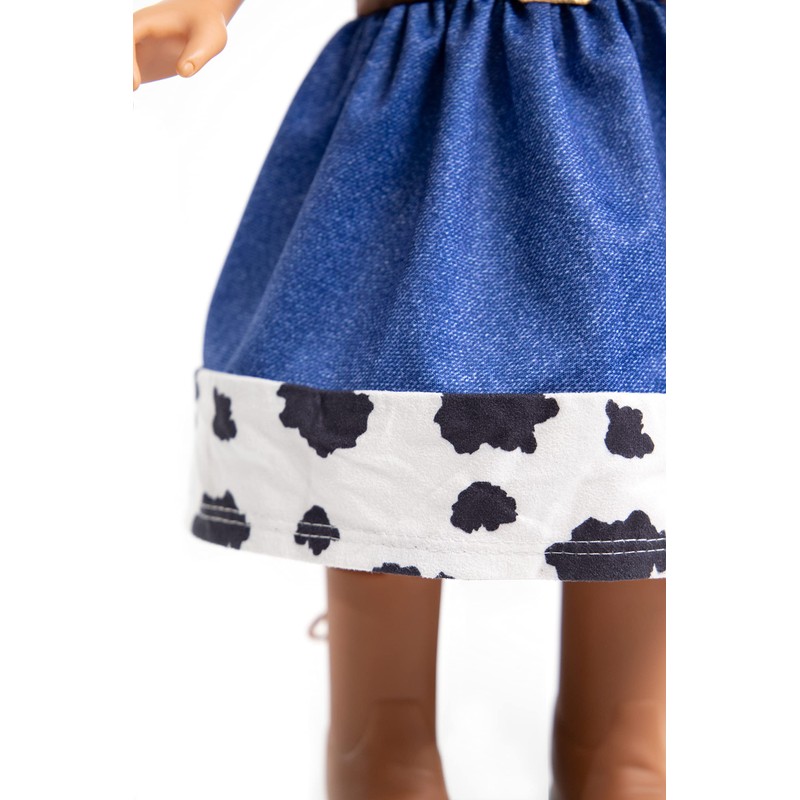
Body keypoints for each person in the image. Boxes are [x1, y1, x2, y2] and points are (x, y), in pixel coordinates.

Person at [133, 1, 666, 797]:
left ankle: (607, 759)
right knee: (378, 458)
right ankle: (386, 753)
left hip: (621, 120)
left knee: (628, 723)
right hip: (416, 137)